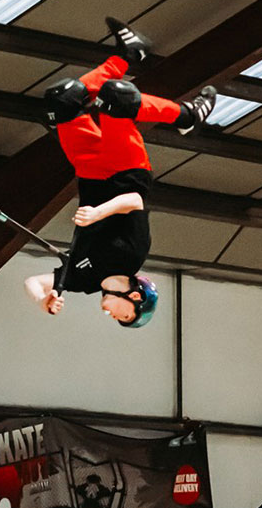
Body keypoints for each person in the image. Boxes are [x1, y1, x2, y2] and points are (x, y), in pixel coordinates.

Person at [24, 18, 216, 326]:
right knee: (116, 97)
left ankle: (129, 56)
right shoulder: (132, 257)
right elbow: (134, 202)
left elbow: (33, 282)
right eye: (124, 315)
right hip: (126, 172)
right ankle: (188, 117)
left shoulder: (82, 279)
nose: (112, 315)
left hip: (90, 173)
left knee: (61, 100)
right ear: (135, 296)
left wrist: (41, 299)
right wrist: (98, 213)